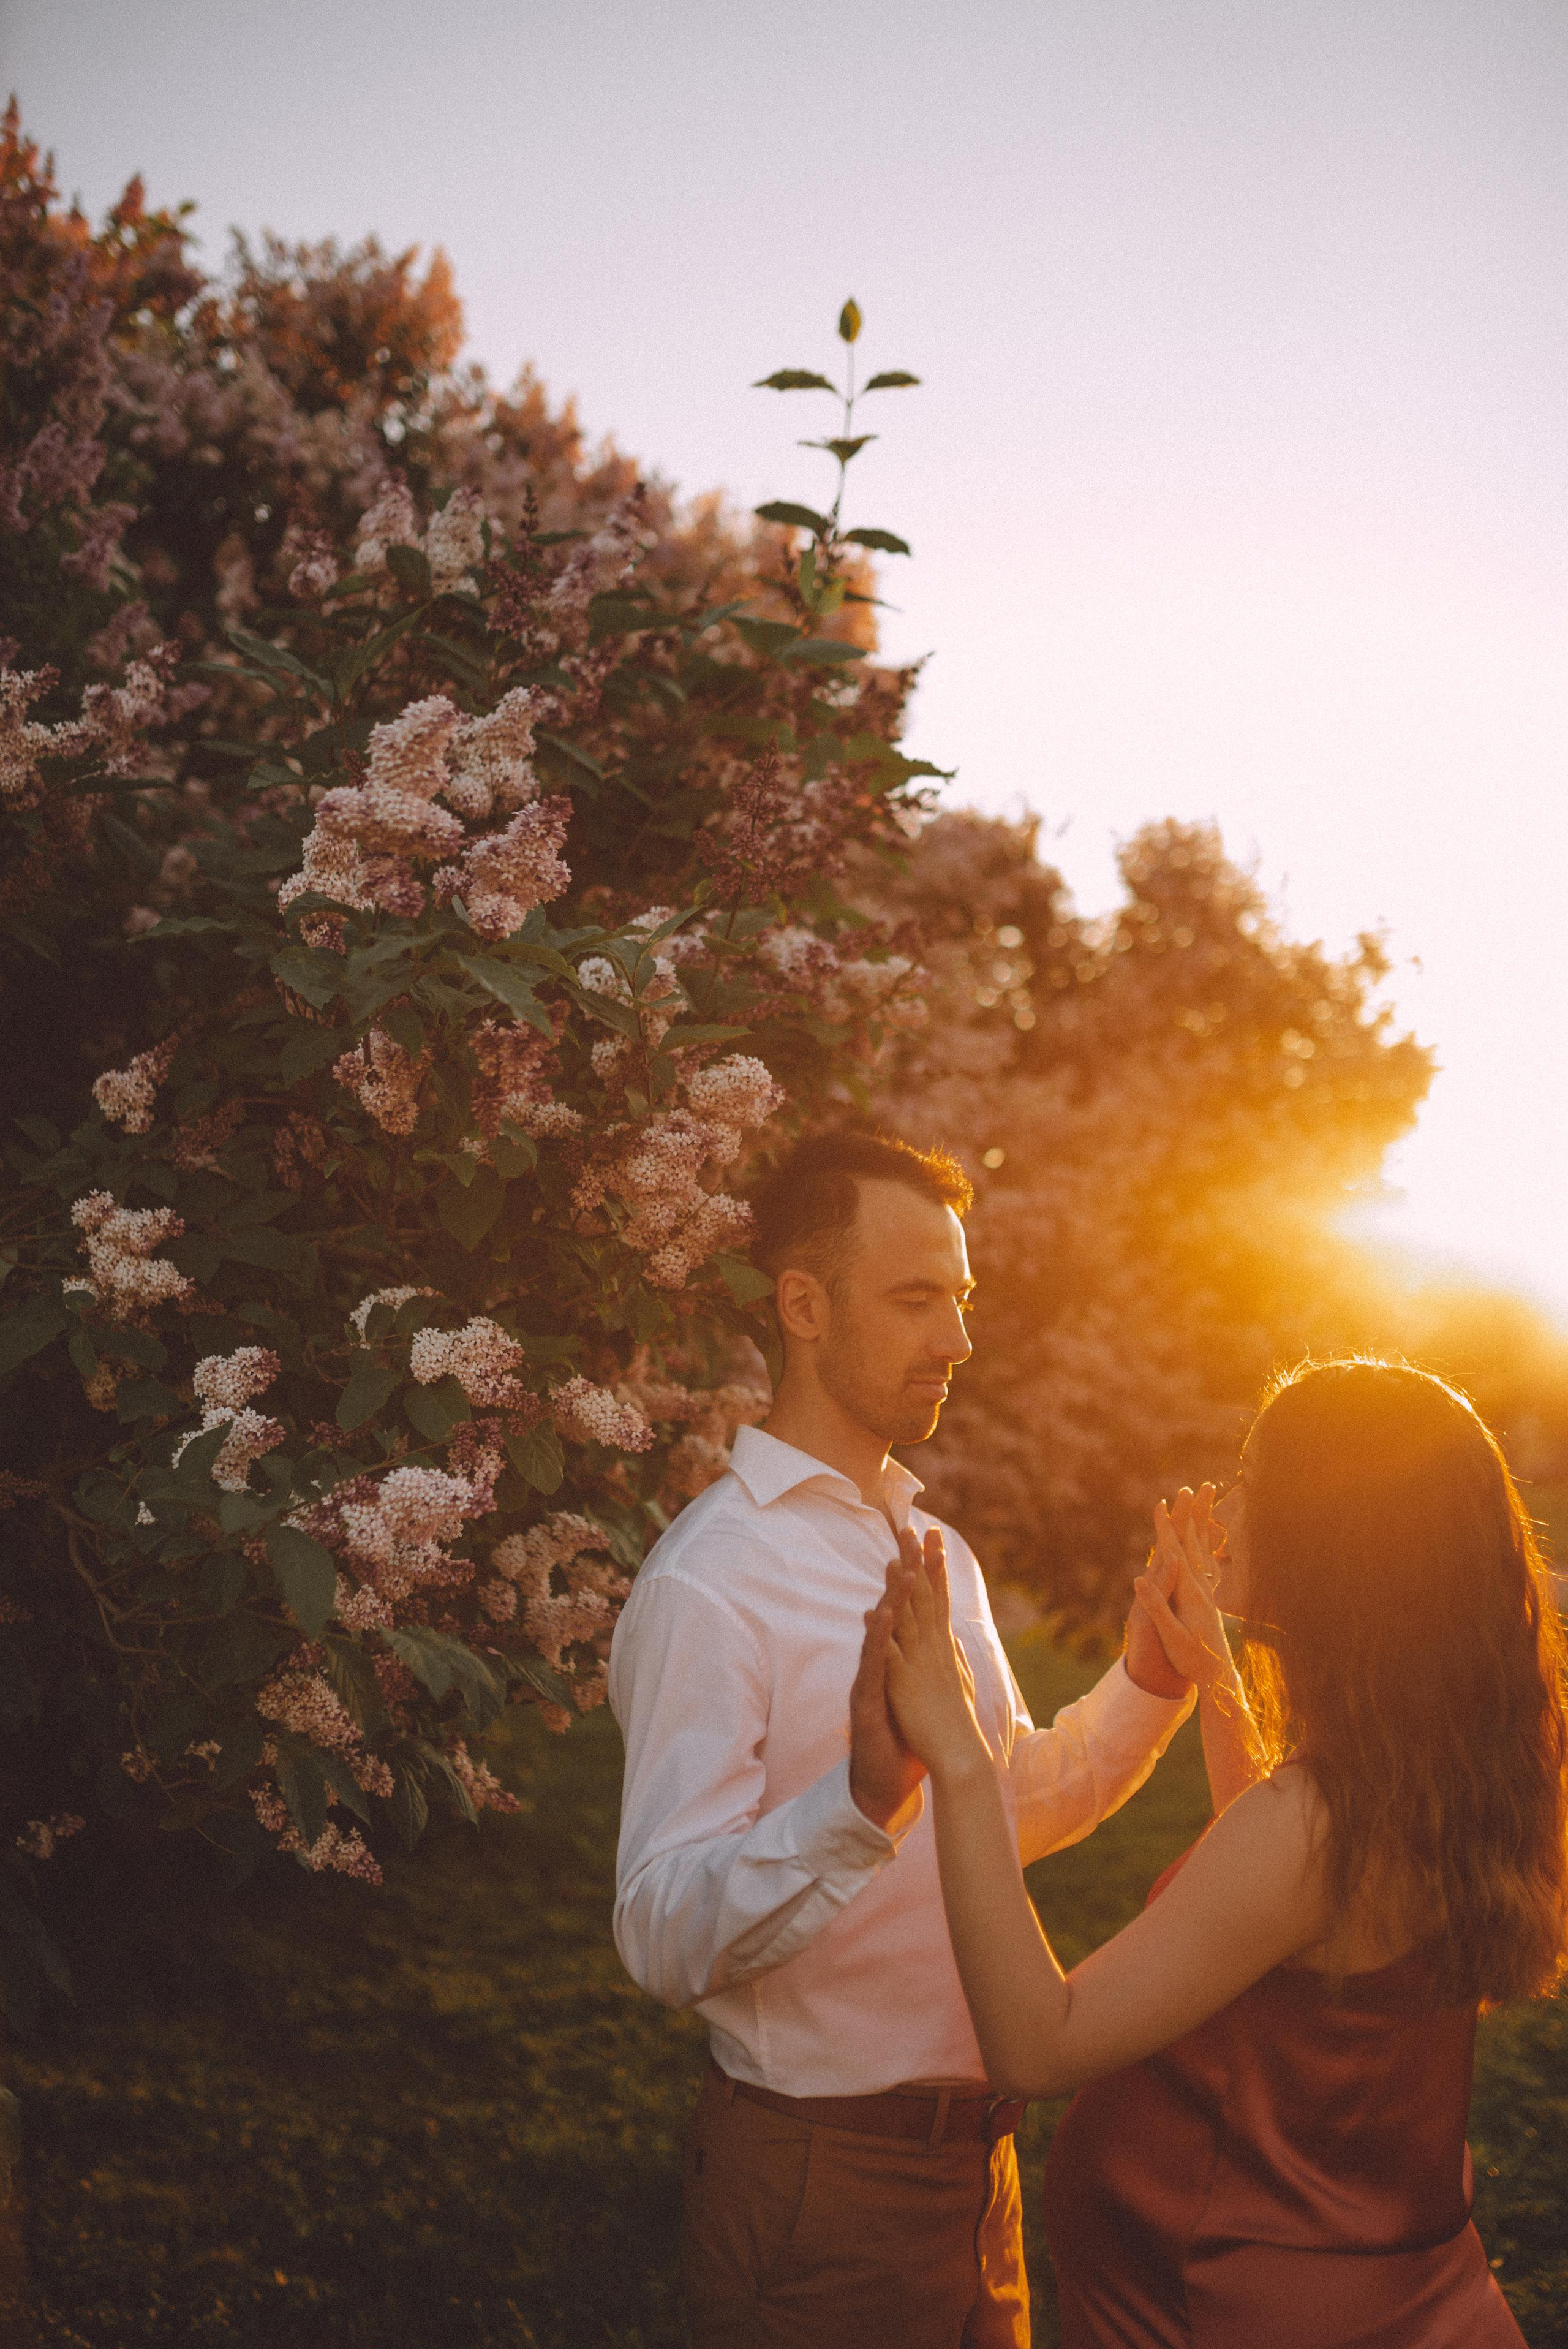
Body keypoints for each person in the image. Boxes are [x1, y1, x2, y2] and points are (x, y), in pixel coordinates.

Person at [608, 1132, 1197, 2348]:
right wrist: (859, 1801)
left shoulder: (929, 1551)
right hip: (816, 2192)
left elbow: (1007, 1804)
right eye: (916, 1297)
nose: (958, 1340)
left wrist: (1148, 1669)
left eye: (962, 1299)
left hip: (979, 2176)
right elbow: (660, 1933)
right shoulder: (710, 1581)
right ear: (805, 1306)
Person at [872, 1358, 1567, 2349]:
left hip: (1238, 2309)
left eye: (1255, 1477)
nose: (1229, 1503)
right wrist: (1214, 1675)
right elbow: (1281, 1923)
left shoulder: (1314, 1823)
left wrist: (961, 1759)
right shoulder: (1442, 1769)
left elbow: (1041, 2043)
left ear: (1332, 1539)